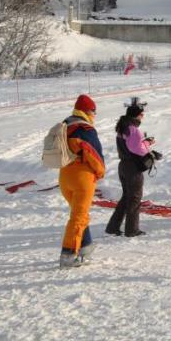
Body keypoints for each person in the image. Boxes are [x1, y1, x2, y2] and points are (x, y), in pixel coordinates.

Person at [58, 94, 105, 267]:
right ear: (88, 111)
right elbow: (95, 155)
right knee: (78, 217)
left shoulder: (65, 124)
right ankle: (68, 254)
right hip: (82, 178)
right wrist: (100, 173)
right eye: (94, 112)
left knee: (78, 214)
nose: (94, 116)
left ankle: (86, 245)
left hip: (64, 175)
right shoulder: (85, 129)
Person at [105, 98, 157, 237]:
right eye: (141, 113)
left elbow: (133, 146)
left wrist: (145, 143)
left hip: (124, 165)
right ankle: (132, 229)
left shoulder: (123, 127)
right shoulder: (133, 129)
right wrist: (148, 145)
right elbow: (137, 149)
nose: (143, 116)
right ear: (137, 115)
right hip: (132, 168)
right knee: (134, 198)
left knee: (127, 197)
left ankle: (113, 227)